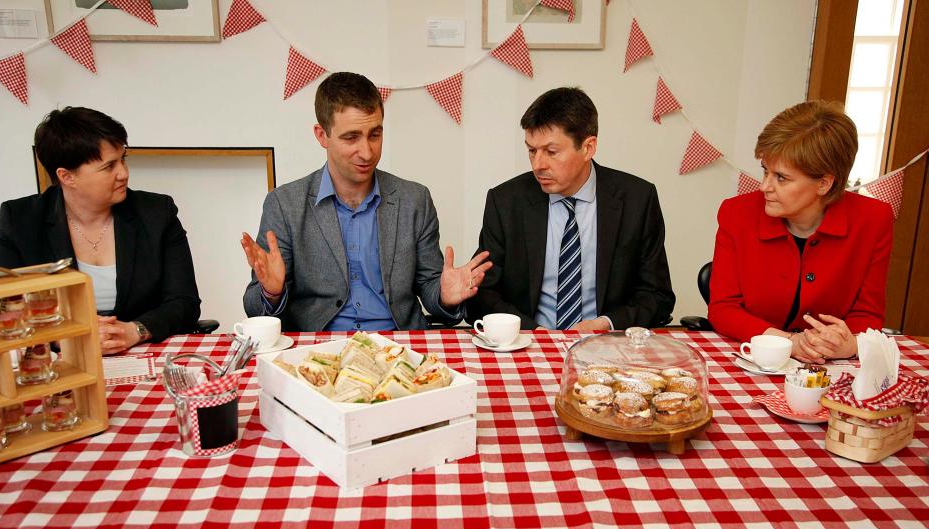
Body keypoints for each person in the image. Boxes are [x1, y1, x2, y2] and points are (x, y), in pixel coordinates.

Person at [241, 71, 490, 331]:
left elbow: (430, 288)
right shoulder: (284, 205)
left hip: (399, 345)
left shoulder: (415, 200)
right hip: (318, 350)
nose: (367, 152)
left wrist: (444, 296)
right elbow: (254, 308)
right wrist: (272, 293)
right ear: (321, 135)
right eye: (351, 137)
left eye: (375, 134)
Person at [0, 107, 201, 354]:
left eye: (123, 159)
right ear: (67, 176)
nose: (123, 173)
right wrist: (69, 337)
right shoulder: (20, 222)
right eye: (109, 166)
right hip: (62, 361)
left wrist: (135, 330)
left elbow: (184, 302)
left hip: (142, 353)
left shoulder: (157, 213)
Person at [467, 87, 675, 330]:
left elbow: (657, 296)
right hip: (529, 342)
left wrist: (606, 324)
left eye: (551, 152)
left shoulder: (637, 199)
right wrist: (534, 333)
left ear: (588, 148)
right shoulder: (505, 202)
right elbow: (484, 294)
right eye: (532, 150)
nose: (538, 165)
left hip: (606, 346)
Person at [707, 100, 893, 362]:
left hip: (830, 364)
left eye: (781, 178)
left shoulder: (873, 220)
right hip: (755, 357)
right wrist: (788, 343)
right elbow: (723, 310)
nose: (764, 186)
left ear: (824, 183)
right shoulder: (736, 213)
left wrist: (848, 343)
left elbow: (867, 314)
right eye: (765, 171)